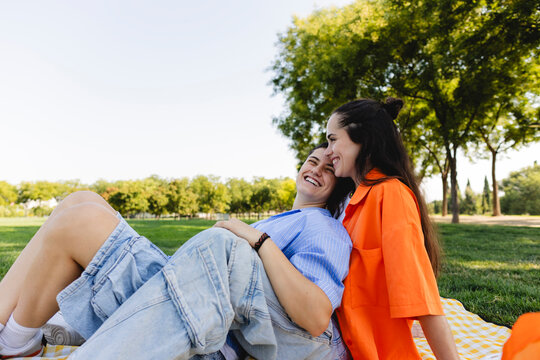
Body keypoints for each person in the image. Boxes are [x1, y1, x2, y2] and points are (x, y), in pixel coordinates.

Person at [0, 144, 354, 360]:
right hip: (186, 281)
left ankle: (16, 343)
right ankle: (10, 329)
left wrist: (256, 240)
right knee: (80, 201)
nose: (316, 170)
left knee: (78, 221)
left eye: (328, 169)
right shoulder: (287, 218)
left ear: (339, 185)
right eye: (312, 161)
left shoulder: (323, 227)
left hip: (196, 307)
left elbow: (313, 316)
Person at [324, 97, 461, 360]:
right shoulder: (355, 202)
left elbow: (421, 296)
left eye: (332, 139)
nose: (328, 151)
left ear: (361, 138)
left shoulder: (390, 195)